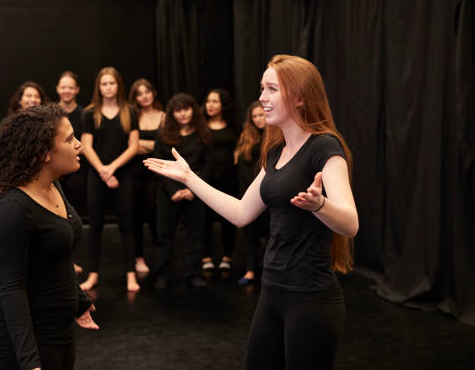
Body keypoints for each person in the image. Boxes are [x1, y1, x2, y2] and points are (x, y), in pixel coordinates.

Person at [145, 54, 359, 369]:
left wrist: (321, 205)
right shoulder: (275, 153)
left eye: (272, 89)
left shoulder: (324, 148)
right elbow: (242, 212)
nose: (261, 98)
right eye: (262, 88)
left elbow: (350, 224)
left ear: (299, 98)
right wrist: (190, 177)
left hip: (311, 298)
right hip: (272, 290)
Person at [0, 104, 98, 370]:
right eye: (70, 139)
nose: (79, 146)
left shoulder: (53, 186)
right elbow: (12, 289)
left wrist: (80, 301)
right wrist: (29, 362)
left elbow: (56, 256)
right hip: (27, 339)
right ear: (44, 153)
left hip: (58, 328)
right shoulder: (12, 209)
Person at [80, 67, 140, 292]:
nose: (108, 87)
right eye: (104, 84)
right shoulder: (90, 113)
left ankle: (131, 275)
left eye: (112, 83)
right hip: (97, 175)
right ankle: (93, 274)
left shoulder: (129, 112)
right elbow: (86, 146)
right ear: (99, 87)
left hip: (122, 174)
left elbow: (133, 146)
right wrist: (103, 171)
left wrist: (112, 168)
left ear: (118, 86)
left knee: (126, 224)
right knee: (95, 225)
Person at [151, 93, 212, 290]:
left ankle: (194, 273)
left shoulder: (204, 133)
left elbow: (209, 165)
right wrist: (173, 191)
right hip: (169, 192)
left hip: (196, 192)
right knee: (164, 234)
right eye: (178, 110)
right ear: (172, 113)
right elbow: (158, 165)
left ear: (193, 109)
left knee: (195, 234)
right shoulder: (163, 135)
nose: (183, 113)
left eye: (186, 108)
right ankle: (161, 274)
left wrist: (192, 189)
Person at [201, 88, 239, 273]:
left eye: (215, 101)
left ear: (223, 105)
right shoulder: (200, 125)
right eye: (208, 101)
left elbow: (240, 144)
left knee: (228, 219)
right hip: (206, 179)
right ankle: (206, 256)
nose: (210, 105)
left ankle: (227, 257)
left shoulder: (232, 125)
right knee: (204, 218)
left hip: (228, 178)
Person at [128, 78, 164, 274]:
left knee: (154, 214)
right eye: (139, 93)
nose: (144, 96)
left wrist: (140, 144)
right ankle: (138, 258)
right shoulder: (132, 116)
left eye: (147, 91)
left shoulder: (164, 116)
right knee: (135, 216)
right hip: (134, 172)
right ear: (135, 97)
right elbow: (129, 146)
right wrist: (138, 146)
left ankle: (160, 258)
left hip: (156, 172)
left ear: (153, 93)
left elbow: (164, 145)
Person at [234, 101, 268, 286]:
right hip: (249, 190)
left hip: (269, 191)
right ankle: (250, 270)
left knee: (271, 233)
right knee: (250, 233)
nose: (258, 119)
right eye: (254, 116)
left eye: (261, 115)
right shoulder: (247, 136)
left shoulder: (276, 135)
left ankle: (268, 270)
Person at [56, 72, 87, 272]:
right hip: (54, 173)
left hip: (75, 174)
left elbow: (83, 144)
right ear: (58, 89)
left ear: (77, 90)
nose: (67, 91)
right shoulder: (51, 114)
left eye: (71, 87)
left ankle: (70, 260)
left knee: (71, 219)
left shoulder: (84, 114)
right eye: (63, 87)